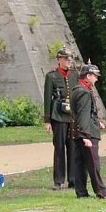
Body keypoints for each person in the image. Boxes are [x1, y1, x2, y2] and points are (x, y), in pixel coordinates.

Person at [70, 62, 106, 199]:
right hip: (86, 133)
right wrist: (85, 136)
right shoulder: (83, 92)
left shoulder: (77, 89)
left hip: (78, 131)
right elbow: (82, 115)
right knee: (93, 164)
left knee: (80, 164)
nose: (97, 79)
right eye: (95, 76)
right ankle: (101, 192)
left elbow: (85, 113)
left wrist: (96, 122)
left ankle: (81, 192)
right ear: (88, 76)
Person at [43, 47, 78, 190]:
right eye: (66, 59)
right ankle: (58, 180)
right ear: (59, 60)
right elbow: (47, 98)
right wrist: (47, 120)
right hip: (58, 115)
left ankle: (73, 179)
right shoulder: (51, 76)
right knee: (59, 148)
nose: (69, 61)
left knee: (73, 147)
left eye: (70, 59)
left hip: (73, 116)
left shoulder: (75, 75)